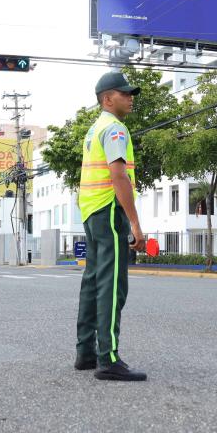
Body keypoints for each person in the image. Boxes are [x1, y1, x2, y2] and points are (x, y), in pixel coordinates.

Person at [75, 71, 147, 382]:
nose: (130, 98)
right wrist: (135, 223)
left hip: (91, 211)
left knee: (93, 281)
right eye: (125, 93)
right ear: (107, 99)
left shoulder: (94, 130)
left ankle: (86, 353)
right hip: (108, 211)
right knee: (113, 285)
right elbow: (119, 176)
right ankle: (108, 358)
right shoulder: (115, 129)